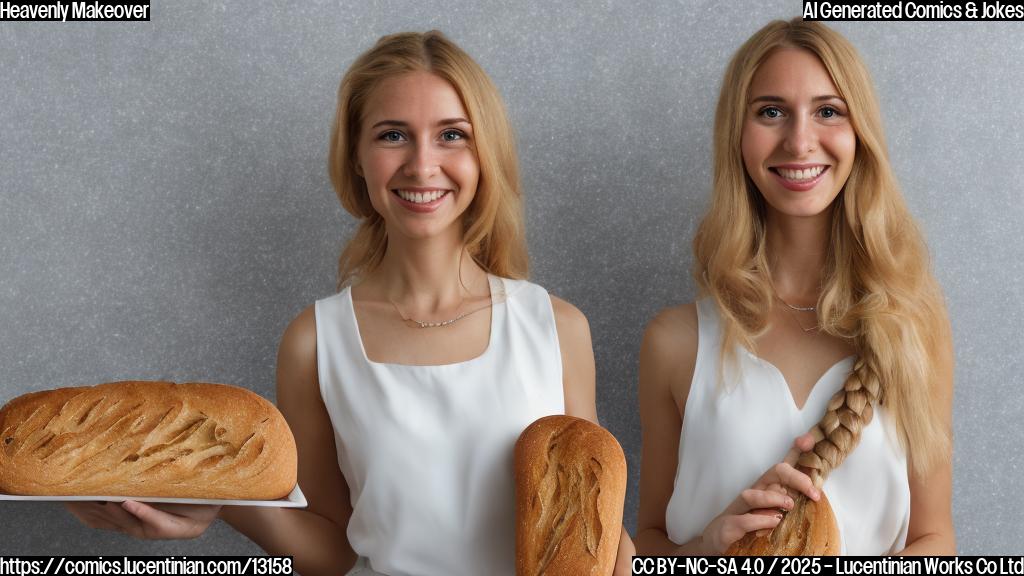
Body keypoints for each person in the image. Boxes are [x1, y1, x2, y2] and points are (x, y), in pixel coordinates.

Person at [67, 31, 634, 575]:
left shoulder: (555, 327)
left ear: (486, 153)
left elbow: (588, 519)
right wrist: (220, 497)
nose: (421, 164)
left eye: (452, 134)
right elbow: (329, 552)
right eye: (392, 135)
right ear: (357, 158)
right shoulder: (315, 340)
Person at [635, 19, 954, 556]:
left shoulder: (915, 331)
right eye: (771, 112)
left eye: (828, 111)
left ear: (860, 134)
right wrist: (708, 550)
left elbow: (932, 536)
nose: (800, 140)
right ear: (737, 134)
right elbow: (644, 543)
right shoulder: (674, 342)